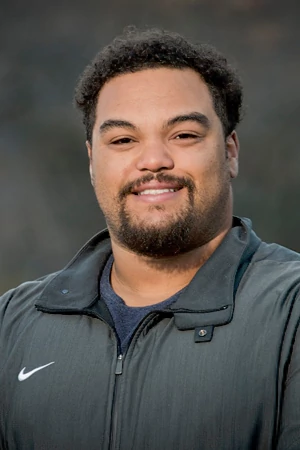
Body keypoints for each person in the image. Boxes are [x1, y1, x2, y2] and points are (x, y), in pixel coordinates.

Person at [0, 27, 299, 450]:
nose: (154, 160)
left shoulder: (292, 312)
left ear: (230, 152)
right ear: (91, 161)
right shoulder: (12, 325)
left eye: (184, 135)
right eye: (123, 140)